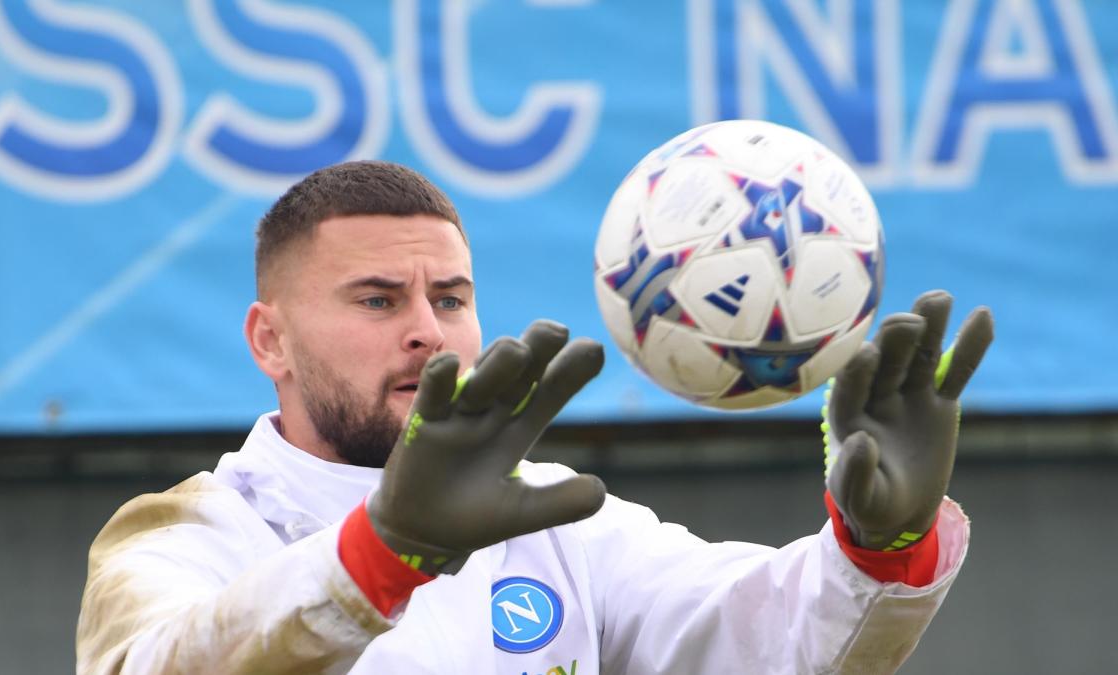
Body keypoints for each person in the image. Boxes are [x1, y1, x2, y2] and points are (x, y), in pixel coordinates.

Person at [76, 160, 993, 674]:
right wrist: (384, 551)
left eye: (450, 297)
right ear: (269, 340)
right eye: (377, 299)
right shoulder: (186, 530)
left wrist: (880, 548)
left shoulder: (557, 517)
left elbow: (766, 643)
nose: (428, 330)